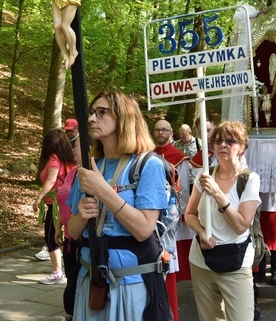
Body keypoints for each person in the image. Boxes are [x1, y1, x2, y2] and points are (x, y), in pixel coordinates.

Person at [67, 91, 171, 320]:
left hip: (130, 285)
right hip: (90, 282)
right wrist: (82, 215)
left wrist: (102, 189)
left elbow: (144, 229)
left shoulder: (148, 165)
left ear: (124, 118)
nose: (92, 119)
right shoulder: (90, 168)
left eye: (101, 112)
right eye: (92, 113)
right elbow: (73, 232)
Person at [184, 121, 261, 321]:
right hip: (202, 261)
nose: (223, 145)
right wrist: (201, 232)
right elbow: (189, 214)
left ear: (242, 147)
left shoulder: (249, 179)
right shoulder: (205, 175)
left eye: (230, 141)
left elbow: (240, 225)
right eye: (218, 141)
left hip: (236, 261)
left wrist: (218, 194)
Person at [152, 119, 190, 319]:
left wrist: (179, 216)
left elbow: (182, 190)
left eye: (164, 129)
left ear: (171, 133)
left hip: (169, 219)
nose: (160, 132)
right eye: (157, 129)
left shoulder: (179, 158)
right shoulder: (147, 155)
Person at [35, 129, 76, 285]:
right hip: (67, 202)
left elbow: (51, 180)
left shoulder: (53, 159)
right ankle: (64, 268)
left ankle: (57, 272)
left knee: (51, 237)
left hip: (55, 205)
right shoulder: (68, 158)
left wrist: (39, 197)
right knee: (66, 236)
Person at [55, 134, 83, 320]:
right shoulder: (73, 173)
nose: (73, 150)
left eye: (78, 146)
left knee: (77, 283)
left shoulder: (93, 176)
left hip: (82, 241)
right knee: (71, 281)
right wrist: (58, 226)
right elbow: (64, 203)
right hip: (68, 237)